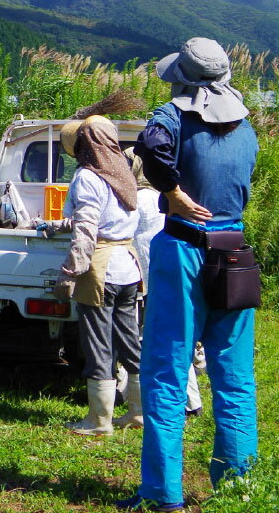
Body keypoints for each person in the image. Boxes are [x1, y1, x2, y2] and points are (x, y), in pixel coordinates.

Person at [117, 38, 258, 513]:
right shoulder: (246, 127)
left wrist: (173, 192)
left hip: (184, 248)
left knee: (167, 370)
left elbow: (151, 147)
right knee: (235, 375)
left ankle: (162, 494)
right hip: (234, 251)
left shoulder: (173, 118)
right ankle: (238, 488)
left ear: (182, 78)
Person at [55, 115, 142, 436]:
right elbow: (106, 218)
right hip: (128, 266)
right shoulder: (123, 172)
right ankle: (139, 412)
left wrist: (69, 273)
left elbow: (87, 230)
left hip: (101, 268)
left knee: (98, 344)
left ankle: (99, 420)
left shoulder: (88, 177)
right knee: (130, 342)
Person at [125, 147, 203, 423]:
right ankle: (190, 400)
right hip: (173, 270)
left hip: (146, 276)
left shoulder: (137, 199)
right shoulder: (168, 197)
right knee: (176, 334)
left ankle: (177, 400)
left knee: (153, 337)